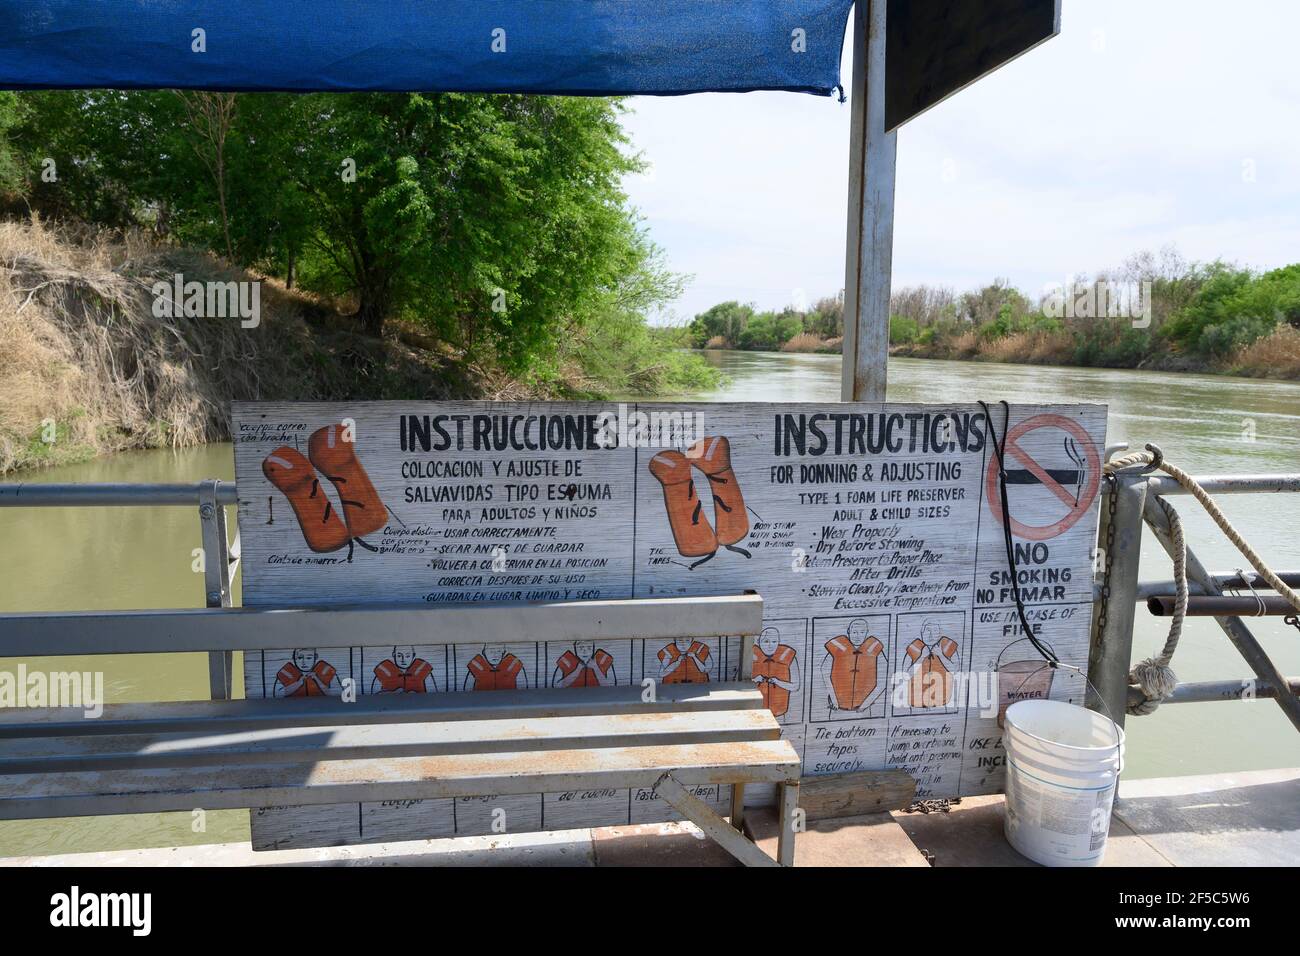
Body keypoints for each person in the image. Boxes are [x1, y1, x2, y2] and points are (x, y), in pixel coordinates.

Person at [751, 626, 800, 718]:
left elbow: (795, 686)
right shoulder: (750, 655)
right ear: (758, 642)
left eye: (774, 641)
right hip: (755, 714)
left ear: (778, 642)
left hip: (781, 713)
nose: (770, 645)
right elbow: (738, 684)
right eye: (766, 641)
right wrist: (755, 680)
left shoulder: (789, 657)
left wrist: (777, 682)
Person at [274, 648, 338, 697]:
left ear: (315, 657)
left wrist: (317, 679)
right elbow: (277, 694)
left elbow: (334, 693)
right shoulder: (285, 672)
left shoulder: (328, 671)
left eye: (309, 658)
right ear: (293, 658)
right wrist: (298, 683)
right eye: (299, 658)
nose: (303, 662)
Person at [372, 645, 436, 694]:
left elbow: (434, 691)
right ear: (393, 655)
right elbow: (374, 694)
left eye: (407, 656)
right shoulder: (382, 669)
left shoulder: (423, 669)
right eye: (399, 656)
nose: (403, 660)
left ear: (413, 655)